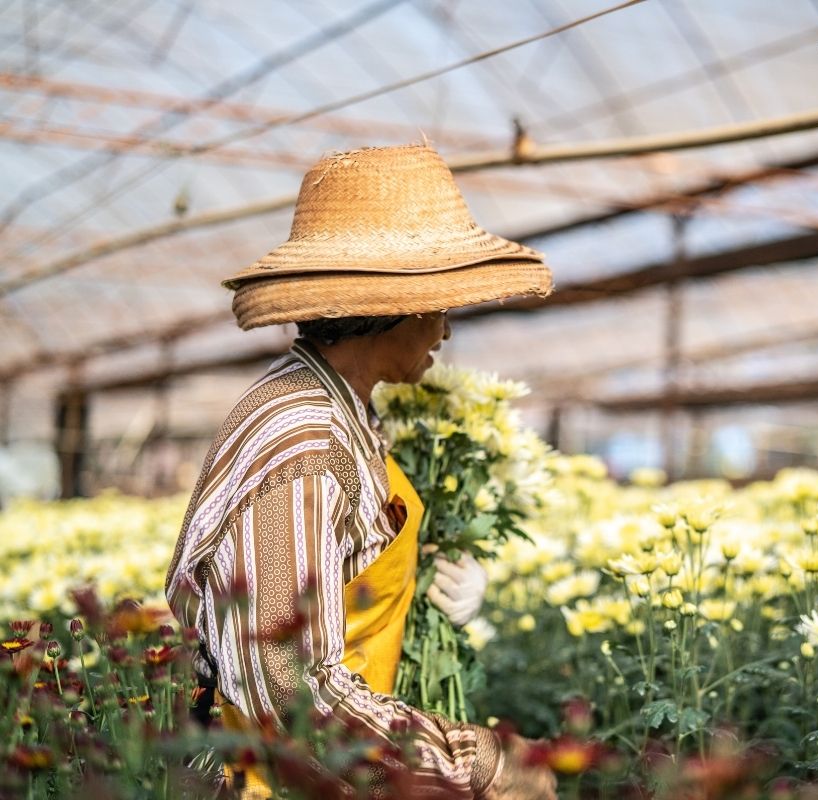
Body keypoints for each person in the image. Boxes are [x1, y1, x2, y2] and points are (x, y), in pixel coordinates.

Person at [164, 145, 556, 799]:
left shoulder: (331, 407)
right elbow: (288, 688)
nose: (446, 332)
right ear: (390, 307)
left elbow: (329, 574)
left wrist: (430, 575)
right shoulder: (305, 445)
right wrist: (477, 765)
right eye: (440, 306)